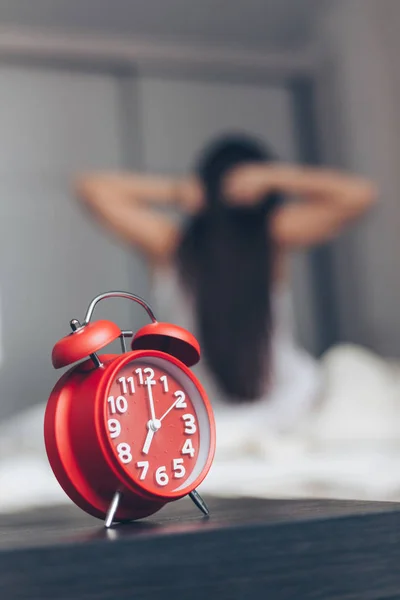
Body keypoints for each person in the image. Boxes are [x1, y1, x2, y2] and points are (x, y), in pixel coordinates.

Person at [75, 133, 378, 459]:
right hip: (205, 403)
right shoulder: (174, 244)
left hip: (285, 398)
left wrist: (271, 178)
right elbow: (90, 187)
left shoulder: (271, 236)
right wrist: (181, 191)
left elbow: (360, 195)